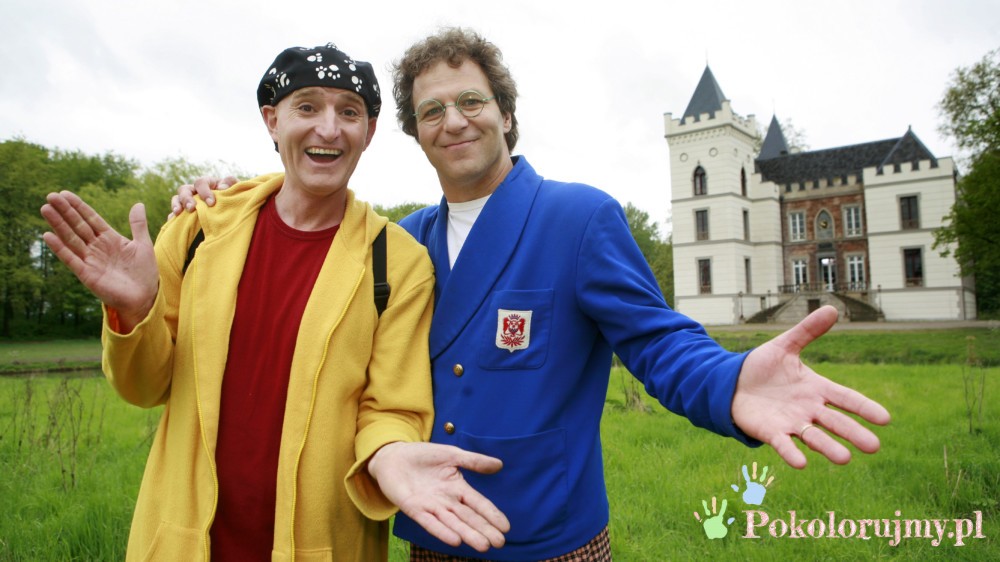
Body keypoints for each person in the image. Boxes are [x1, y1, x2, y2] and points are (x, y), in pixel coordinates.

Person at [173, 29, 891, 561]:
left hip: (550, 539)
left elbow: (656, 340)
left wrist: (729, 381)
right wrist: (220, 200)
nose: (454, 120)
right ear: (416, 135)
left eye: (471, 101)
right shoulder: (399, 243)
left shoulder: (578, 217)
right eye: (432, 111)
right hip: (430, 533)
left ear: (506, 115)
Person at [40, 42, 508, 562]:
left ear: (369, 132)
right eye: (307, 107)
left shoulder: (397, 262)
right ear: (272, 121)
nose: (329, 129)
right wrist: (134, 310)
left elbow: (392, 406)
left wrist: (389, 453)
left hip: (323, 545)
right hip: (182, 543)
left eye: (349, 112)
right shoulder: (199, 228)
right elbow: (143, 387)